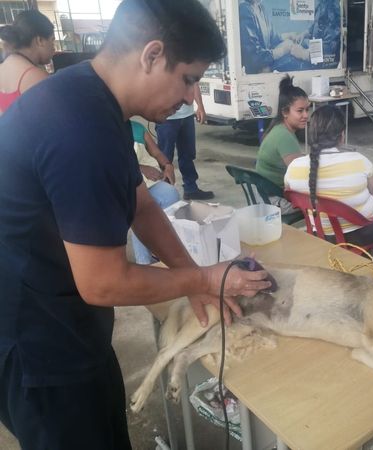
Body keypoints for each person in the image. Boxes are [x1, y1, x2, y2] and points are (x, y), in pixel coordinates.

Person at [0, 1, 271, 449]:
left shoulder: (93, 98)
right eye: (188, 79)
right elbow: (102, 283)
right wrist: (206, 277)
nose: (191, 97)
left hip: (71, 325)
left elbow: (140, 205)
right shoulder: (80, 129)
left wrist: (192, 278)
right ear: (152, 55)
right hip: (37, 346)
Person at [284, 104, 373, 247]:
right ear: (342, 135)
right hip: (362, 235)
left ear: (312, 135)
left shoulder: (294, 167)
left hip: (320, 236)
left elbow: (291, 197)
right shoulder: (359, 161)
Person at [255, 75, 308, 211]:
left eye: (307, 110)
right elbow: (300, 176)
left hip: (264, 196)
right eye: (300, 111)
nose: (306, 115)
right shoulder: (285, 137)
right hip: (274, 201)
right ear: (285, 112)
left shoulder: (278, 128)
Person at [130, 120, 180, 263]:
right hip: (126, 183)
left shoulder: (138, 128)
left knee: (170, 194)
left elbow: (156, 152)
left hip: (149, 182)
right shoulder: (106, 129)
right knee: (140, 211)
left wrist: (168, 166)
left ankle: (164, 251)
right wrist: (140, 168)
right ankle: (144, 262)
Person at [155, 83, 214, 200]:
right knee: (165, 157)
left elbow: (194, 83)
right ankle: (164, 193)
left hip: (187, 115)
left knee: (188, 154)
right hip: (167, 118)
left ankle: (191, 189)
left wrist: (200, 106)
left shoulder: (187, 70)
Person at [0, 10, 54, 115]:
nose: (53, 48)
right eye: (52, 40)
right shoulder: (37, 78)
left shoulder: (2, 68)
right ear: (40, 40)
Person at [239, 0, 295, 74]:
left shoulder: (260, 8)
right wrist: (280, 51)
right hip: (256, 73)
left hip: (267, 66)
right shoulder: (244, 10)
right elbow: (253, 56)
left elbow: (272, 37)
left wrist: (287, 36)